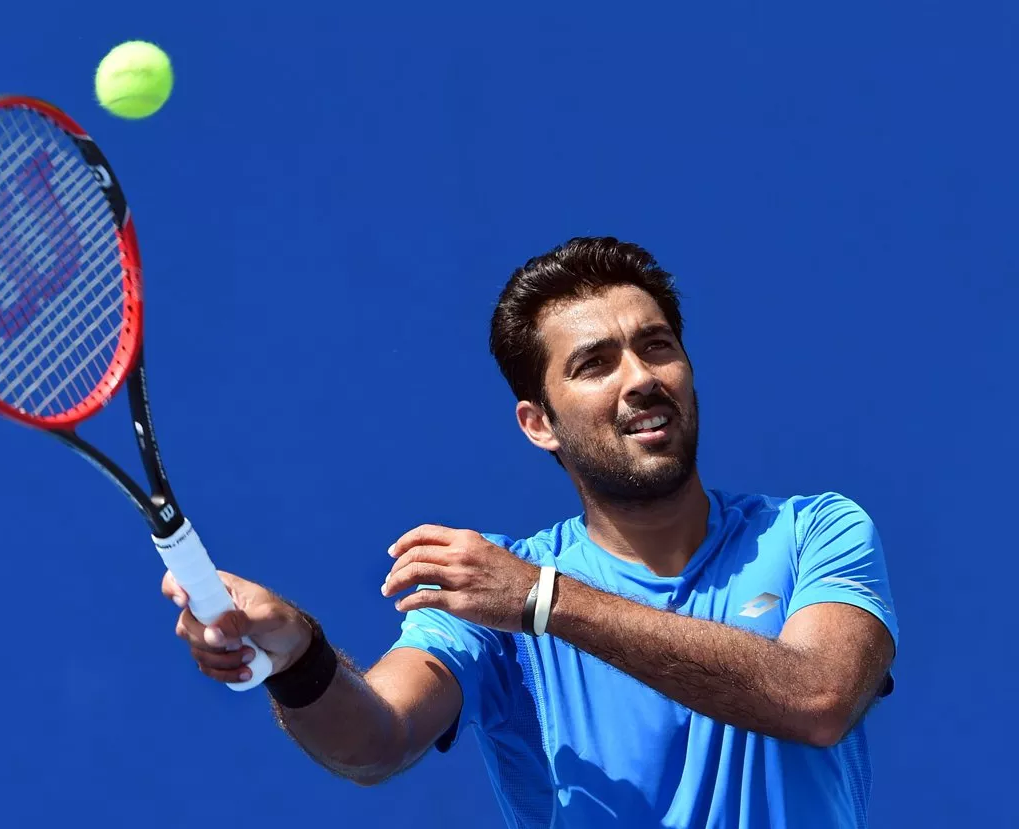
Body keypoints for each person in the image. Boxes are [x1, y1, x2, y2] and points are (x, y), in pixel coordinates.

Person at [163, 237, 899, 829]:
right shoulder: (494, 594)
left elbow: (819, 696)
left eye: (657, 346)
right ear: (539, 423)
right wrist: (299, 657)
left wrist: (544, 601)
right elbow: (374, 740)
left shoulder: (816, 531)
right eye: (595, 364)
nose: (640, 377)